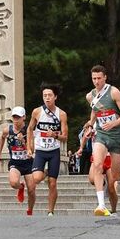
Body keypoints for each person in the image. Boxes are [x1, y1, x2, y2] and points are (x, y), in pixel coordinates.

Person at [83, 65, 120, 217]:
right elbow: (95, 111)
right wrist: (90, 124)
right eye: (93, 79)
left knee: (114, 176)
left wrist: (113, 123)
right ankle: (101, 204)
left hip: (116, 136)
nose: (96, 82)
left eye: (99, 78)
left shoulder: (114, 92)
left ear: (105, 78)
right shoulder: (90, 96)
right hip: (101, 135)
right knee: (97, 165)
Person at [26, 83, 68, 216]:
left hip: (54, 151)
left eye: (50, 95)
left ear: (55, 97)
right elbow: (30, 129)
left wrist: (55, 135)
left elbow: (65, 137)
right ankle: (43, 172)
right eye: (45, 96)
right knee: (37, 178)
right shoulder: (37, 112)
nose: (47, 98)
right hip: (40, 150)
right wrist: (29, 146)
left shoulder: (61, 114)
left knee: (53, 183)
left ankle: (50, 211)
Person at [0, 106, 36, 215]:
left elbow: (31, 149)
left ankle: (30, 210)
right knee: (14, 183)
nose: (16, 120)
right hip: (15, 162)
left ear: (24, 117)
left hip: (28, 162)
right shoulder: (7, 130)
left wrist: (23, 141)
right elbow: (2, 138)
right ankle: (21, 186)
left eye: (18, 117)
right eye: (14, 117)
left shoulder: (29, 130)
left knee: (32, 190)